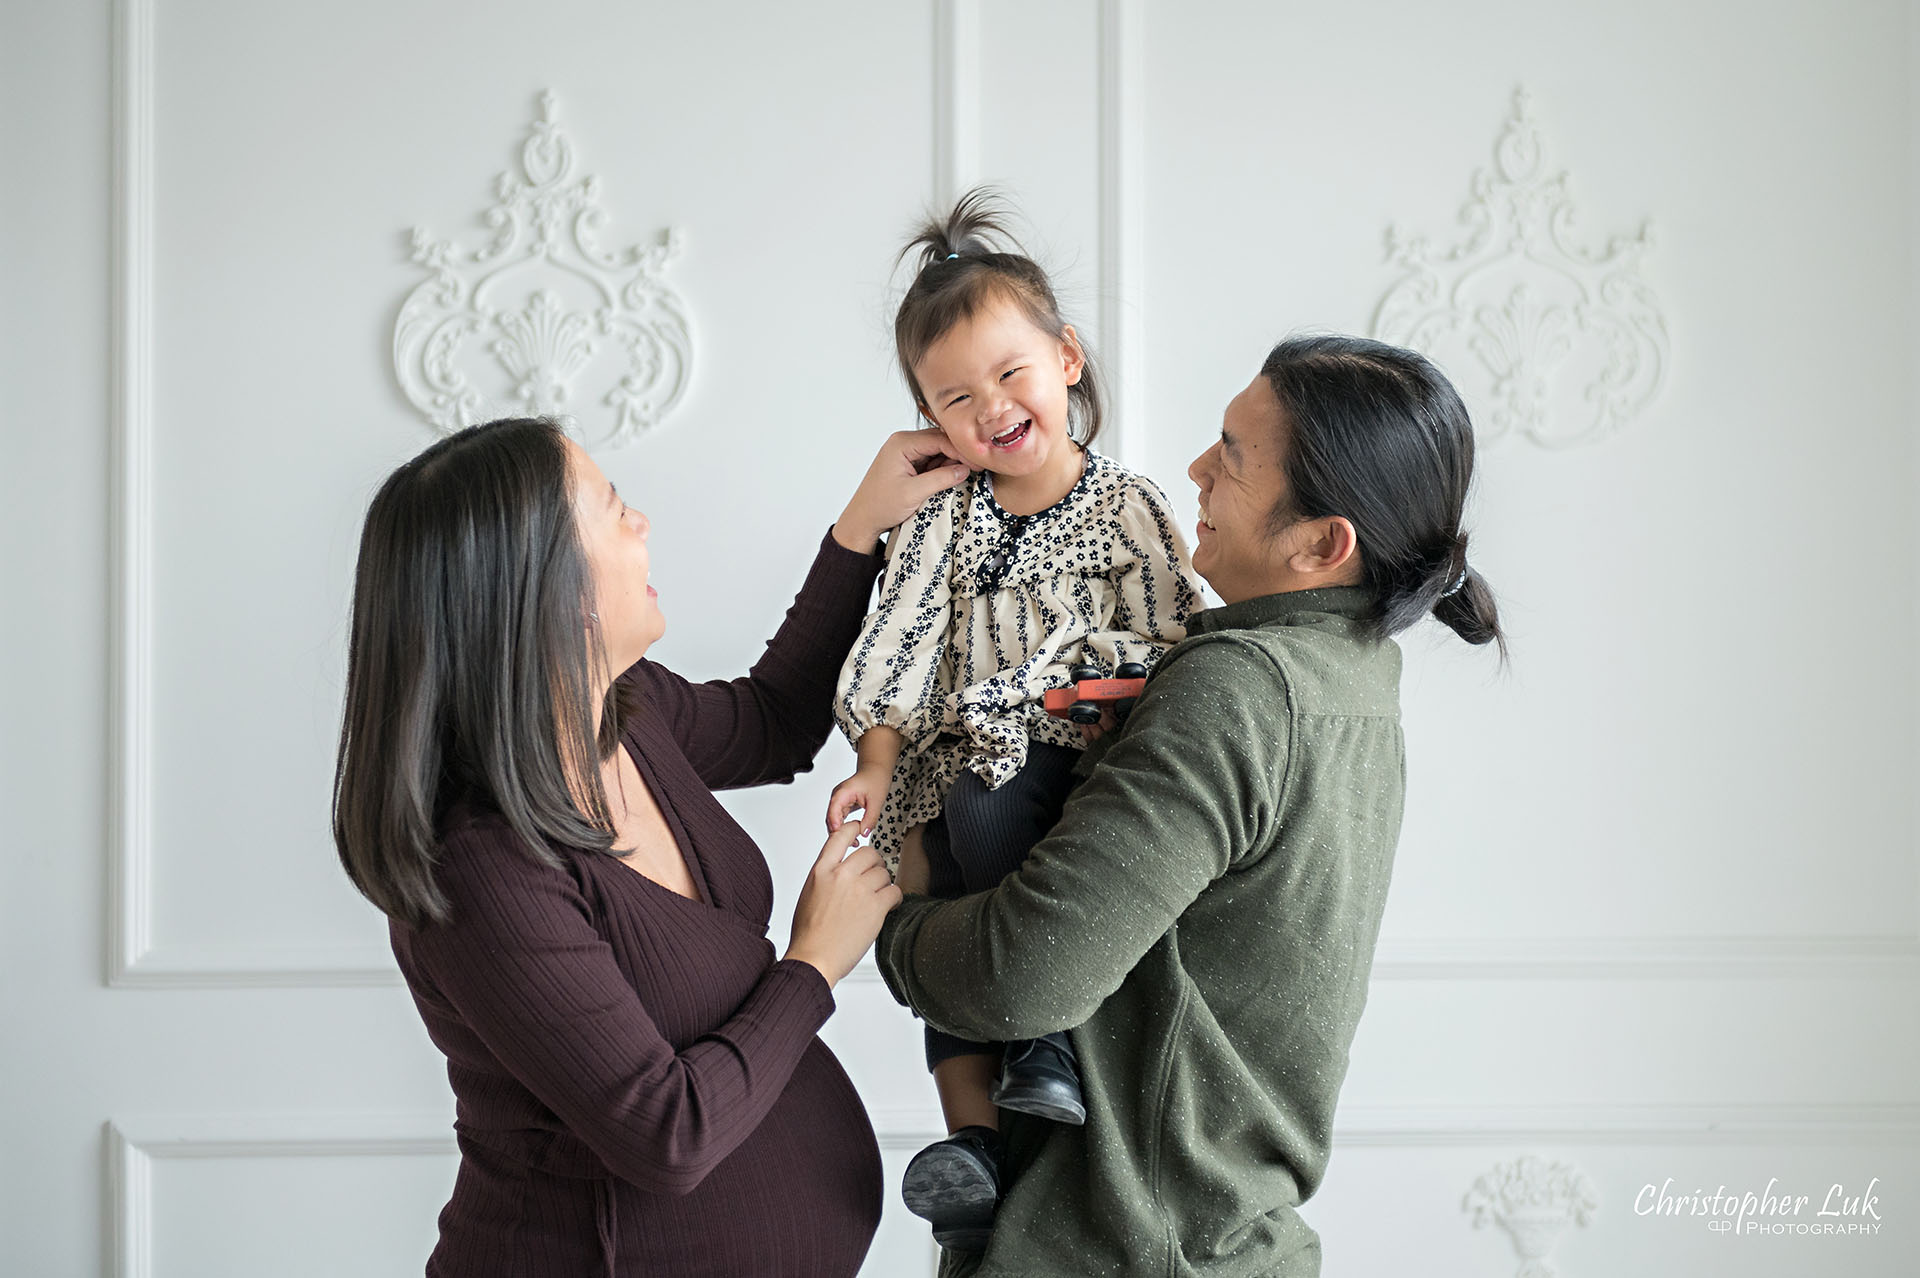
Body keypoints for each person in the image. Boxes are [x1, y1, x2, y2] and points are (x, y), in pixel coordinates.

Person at [875, 334, 1508, 1277]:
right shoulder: (1352, 677)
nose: (1195, 470)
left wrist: (891, 923)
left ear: (1322, 544)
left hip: (1120, 1251)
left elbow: (1023, 976)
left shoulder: (1241, 690)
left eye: (1233, 455)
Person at [332, 417, 968, 1276]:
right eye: (614, 507)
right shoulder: (481, 869)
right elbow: (667, 1133)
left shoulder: (626, 712)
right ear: (555, 590)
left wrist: (861, 530)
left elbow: (776, 724)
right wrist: (814, 962)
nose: (643, 524)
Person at [827, 190, 1203, 1251]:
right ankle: (973, 1147)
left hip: (1082, 752)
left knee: (1012, 829)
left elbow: (1170, 635)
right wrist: (875, 756)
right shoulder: (944, 519)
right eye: (953, 397)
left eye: (1008, 373)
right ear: (928, 422)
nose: (988, 407)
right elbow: (895, 640)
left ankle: (1043, 1041)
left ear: (1066, 361)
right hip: (952, 761)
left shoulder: (1125, 505)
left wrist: (1085, 681)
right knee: (947, 870)